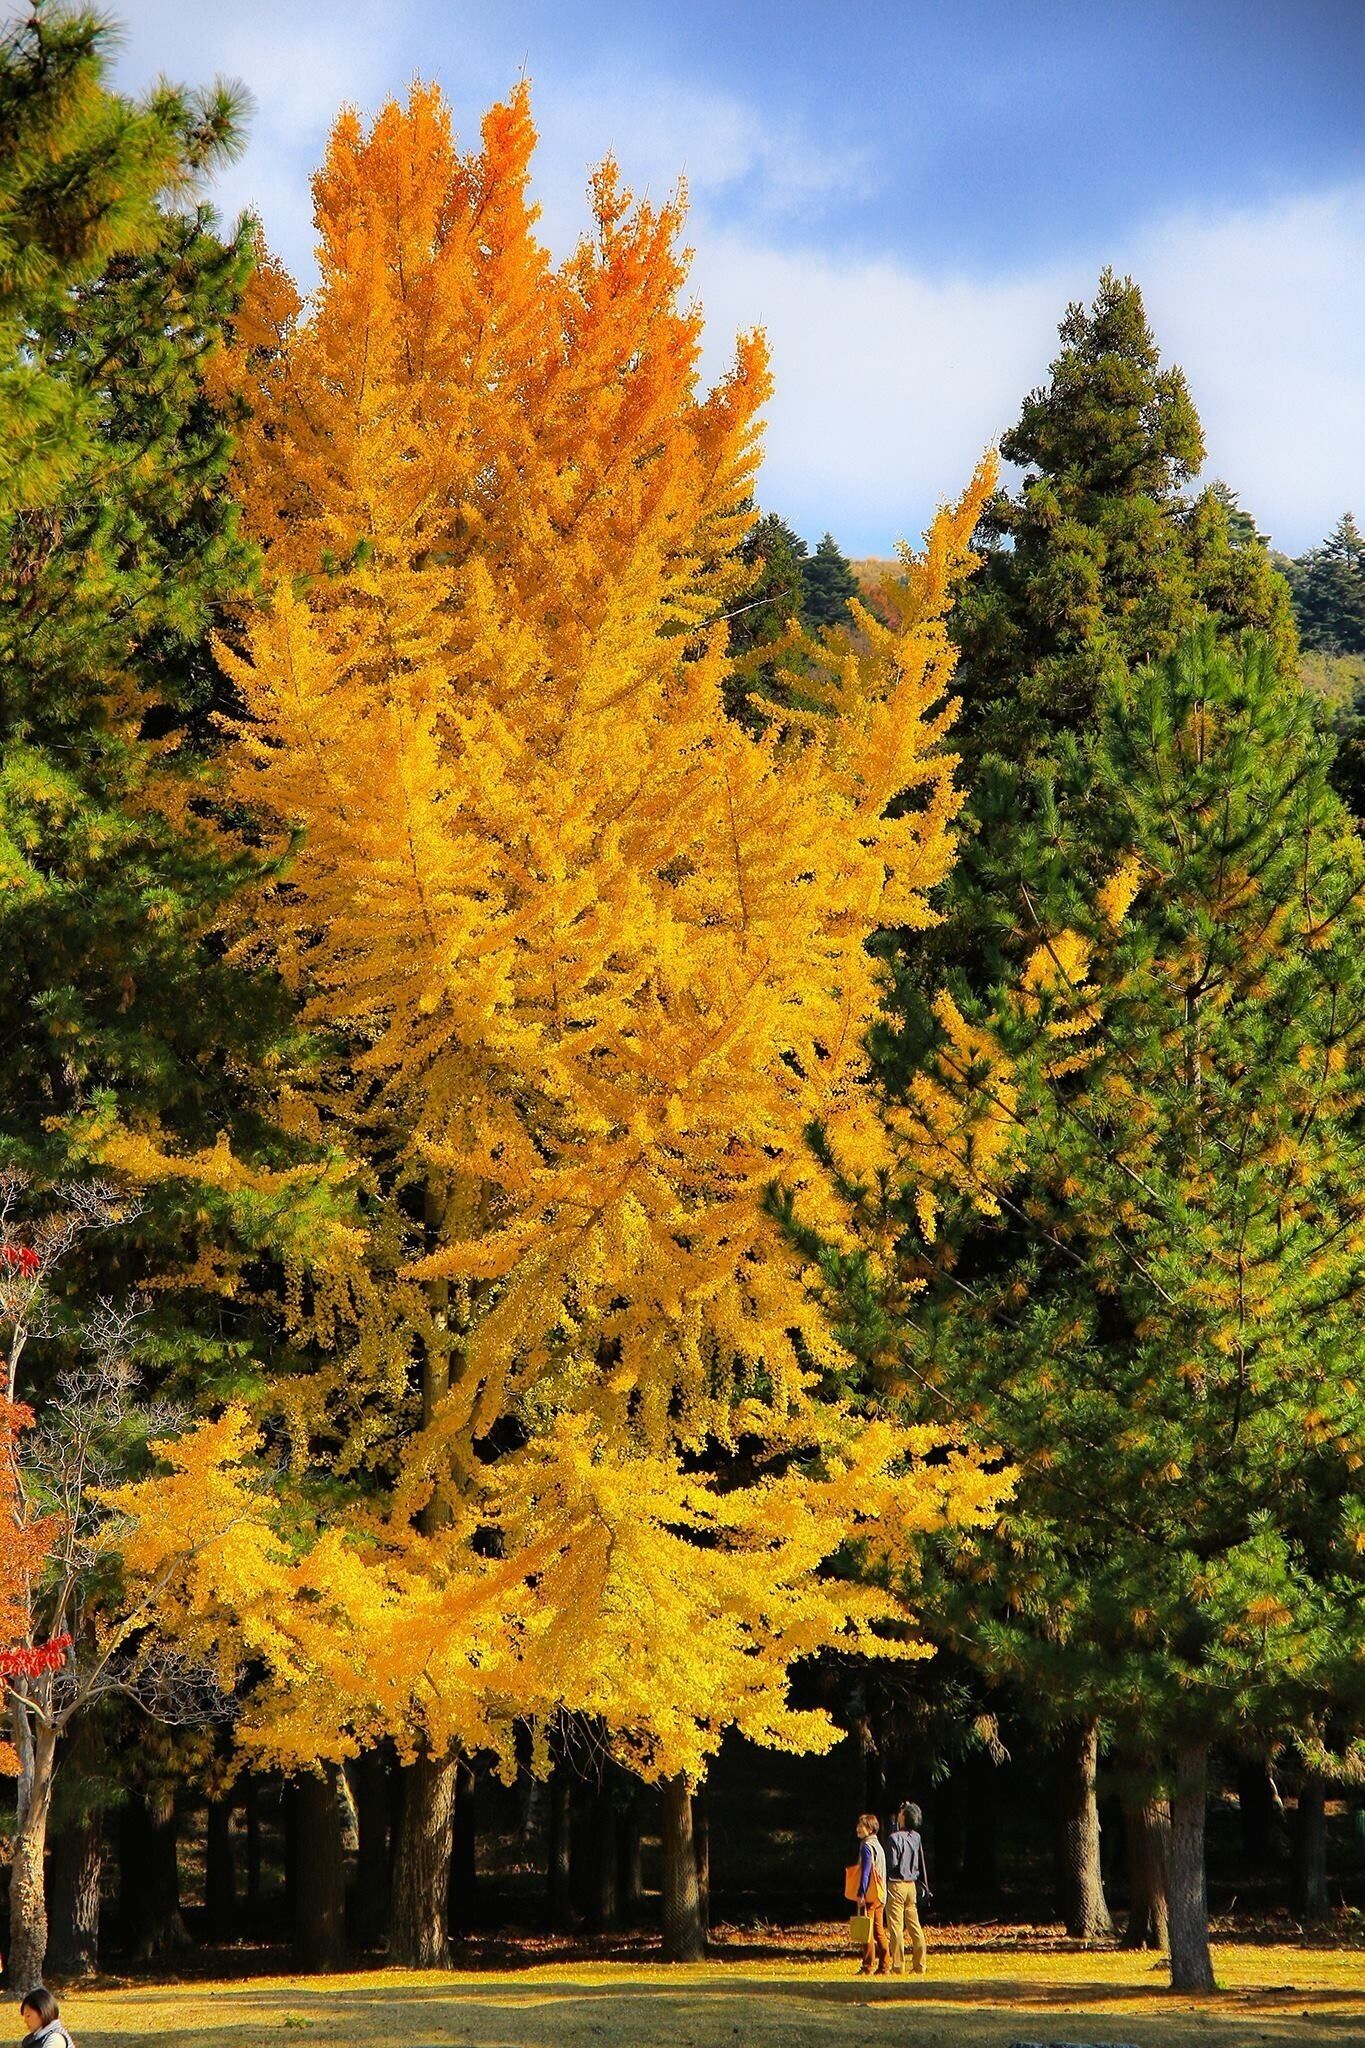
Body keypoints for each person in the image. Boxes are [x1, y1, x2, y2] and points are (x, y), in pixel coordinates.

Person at [885, 1800, 930, 1976]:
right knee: (914, 1925)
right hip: (912, 1885)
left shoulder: (894, 1838)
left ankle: (898, 1966)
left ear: (904, 1817)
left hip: (896, 1884)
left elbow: (892, 1863)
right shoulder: (916, 1837)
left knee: (896, 1926)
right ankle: (920, 1965)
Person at [853, 1811, 889, 1975]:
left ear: (870, 1828)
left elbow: (866, 1872)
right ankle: (884, 1966)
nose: (858, 1829)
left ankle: (867, 1966)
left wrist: (861, 1893)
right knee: (878, 1931)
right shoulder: (878, 1845)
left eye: (862, 1826)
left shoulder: (867, 1847)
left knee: (867, 1931)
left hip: (870, 1894)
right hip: (881, 1894)